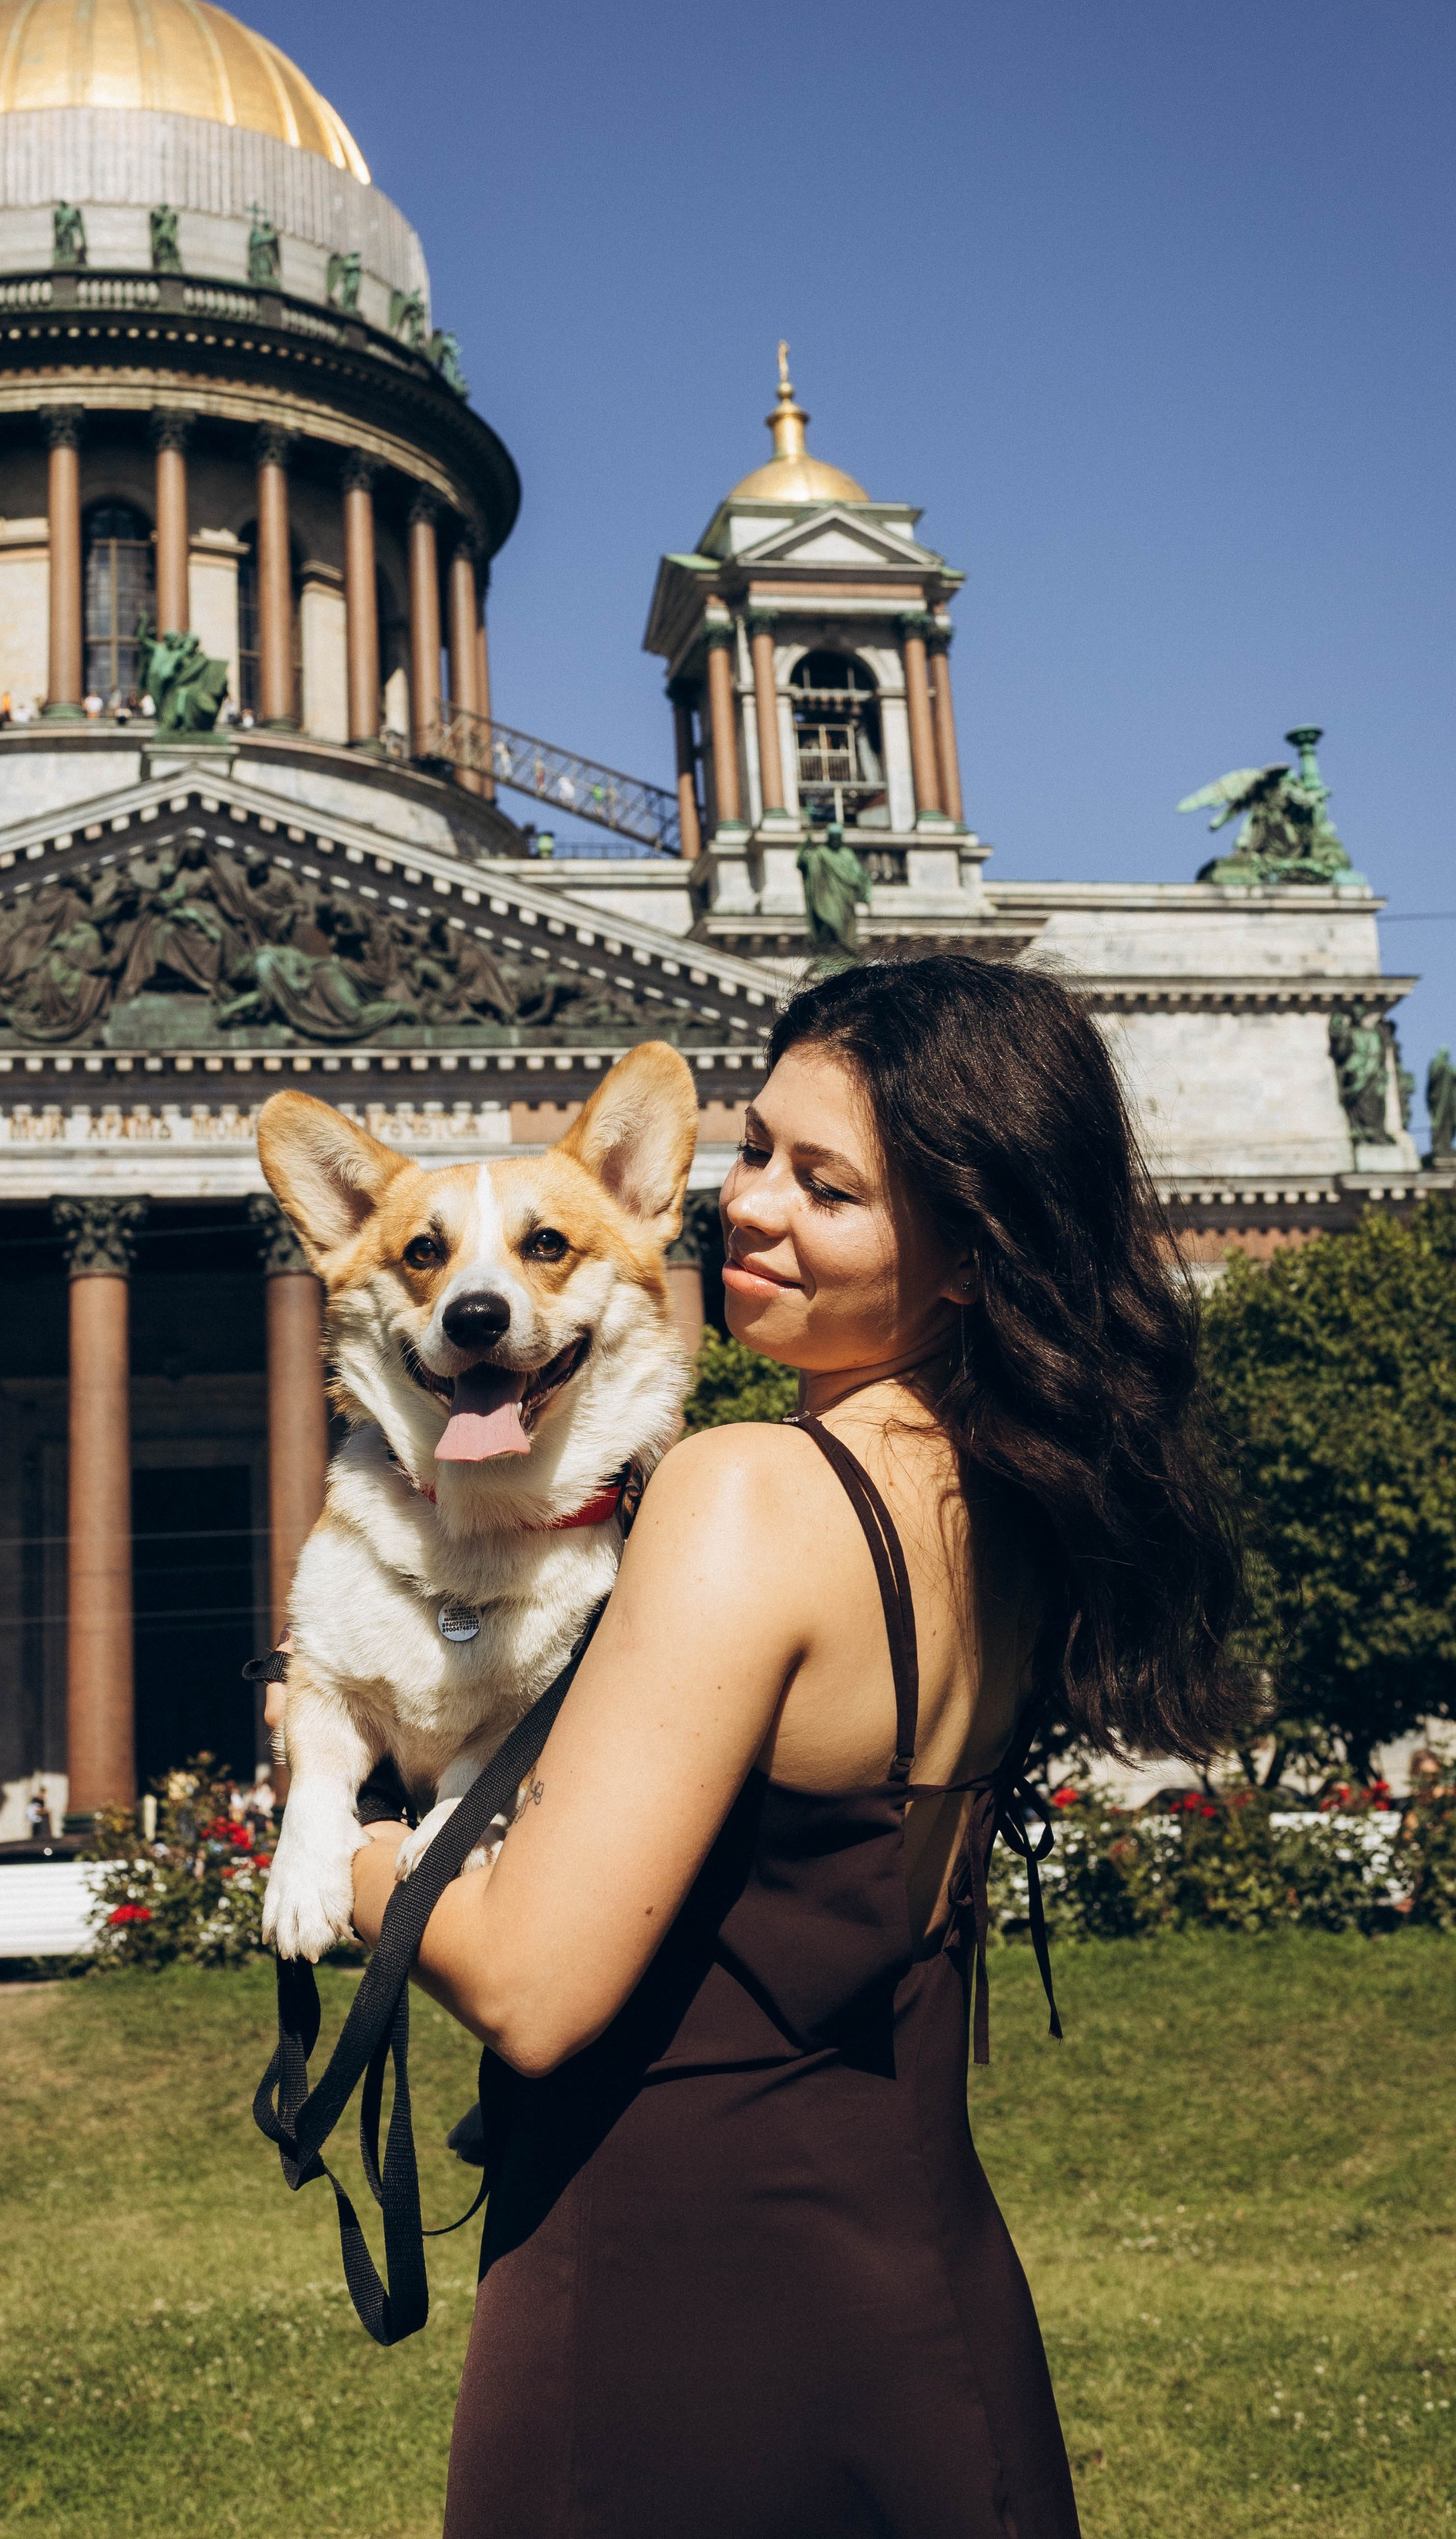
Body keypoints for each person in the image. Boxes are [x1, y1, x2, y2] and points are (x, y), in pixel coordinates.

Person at [339, 955, 1251, 2537]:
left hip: (676, 2313)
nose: (743, 1204)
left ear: (967, 1255)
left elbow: (534, 1985)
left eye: (824, 1188)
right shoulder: (1007, 1495)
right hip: (922, 2283)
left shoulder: (748, 1487)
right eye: (754, 1148)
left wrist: (343, 1858)